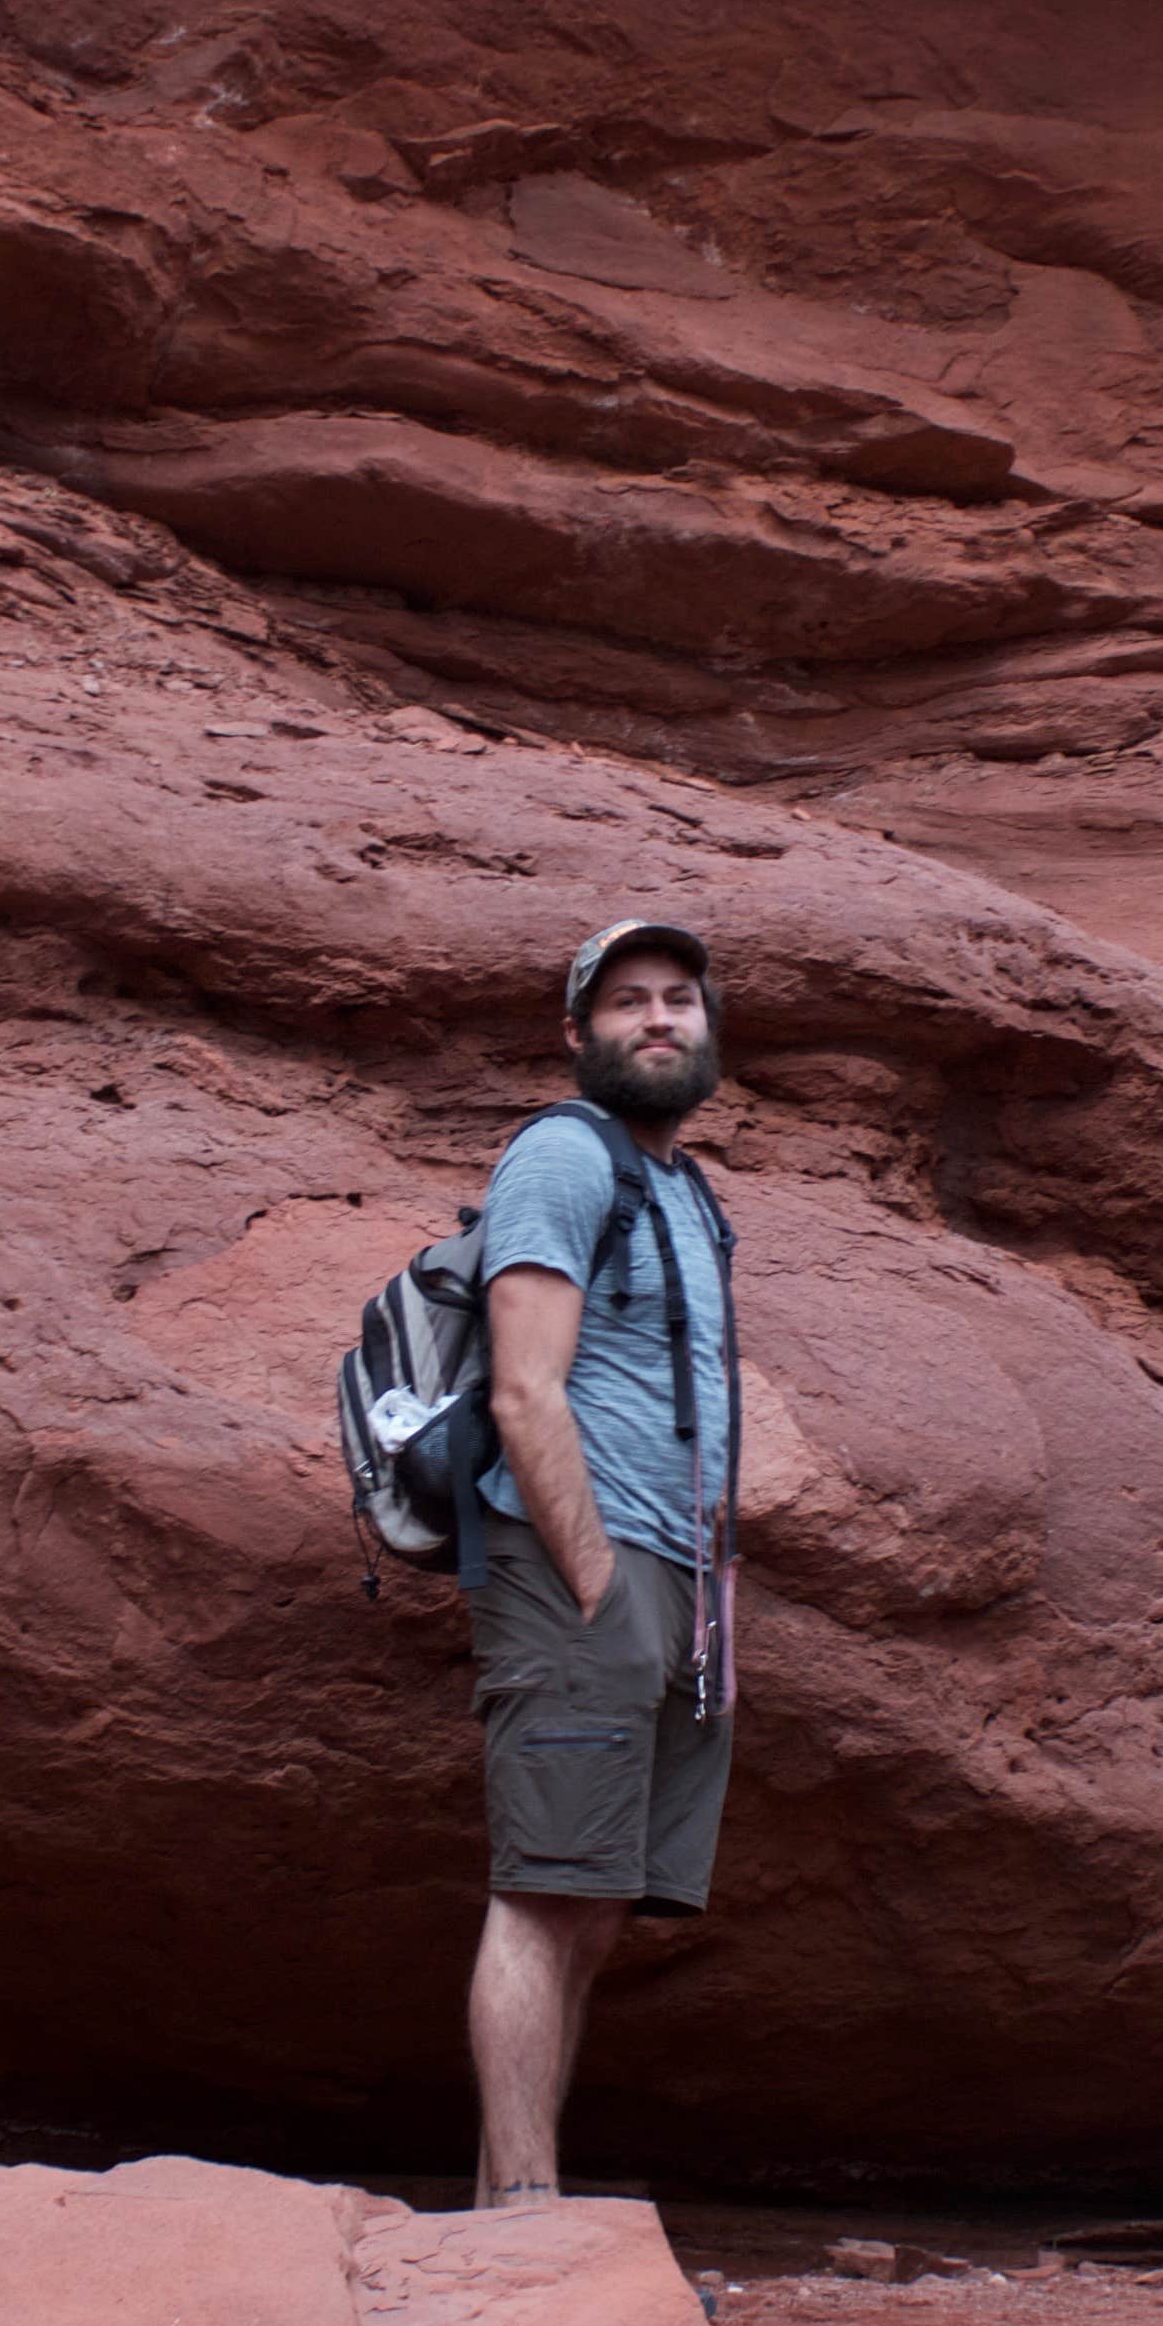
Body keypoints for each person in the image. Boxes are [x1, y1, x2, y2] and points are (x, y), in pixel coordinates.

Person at [466, 919, 739, 2202]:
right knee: (540, 1892)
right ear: (580, 1035)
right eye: (625, 1002)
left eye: (678, 999)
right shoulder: (561, 1159)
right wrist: (591, 1581)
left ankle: (506, 2213)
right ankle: (525, 2221)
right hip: (587, 1560)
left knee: (591, 1904)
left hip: (672, 1575)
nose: (657, 1021)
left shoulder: (683, 1188)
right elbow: (526, 1391)